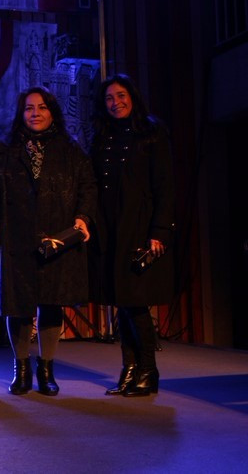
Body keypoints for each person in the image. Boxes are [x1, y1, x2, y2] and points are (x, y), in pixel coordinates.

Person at [0, 87, 97, 396]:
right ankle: (22, 368)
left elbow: (88, 186)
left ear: (52, 112)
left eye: (42, 107)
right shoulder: (4, 151)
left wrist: (84, 217)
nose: (35, 113)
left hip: (57, 238)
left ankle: (47, 369)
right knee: (19, 305)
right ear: (21, 113)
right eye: (29, 108)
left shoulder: (71, 150)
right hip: (16, 238)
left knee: (51, 301)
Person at [90, 74, 174, 397]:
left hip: (138, 227)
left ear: (133, 97)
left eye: (121, 95)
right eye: (109, 98)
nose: (116, 103)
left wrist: (159, 231)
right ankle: (129, 369)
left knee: (134, 301)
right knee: (120, 301)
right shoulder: (102, 136)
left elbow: (165, 185)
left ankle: (148, 370)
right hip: (109, 227)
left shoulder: (152, 132)